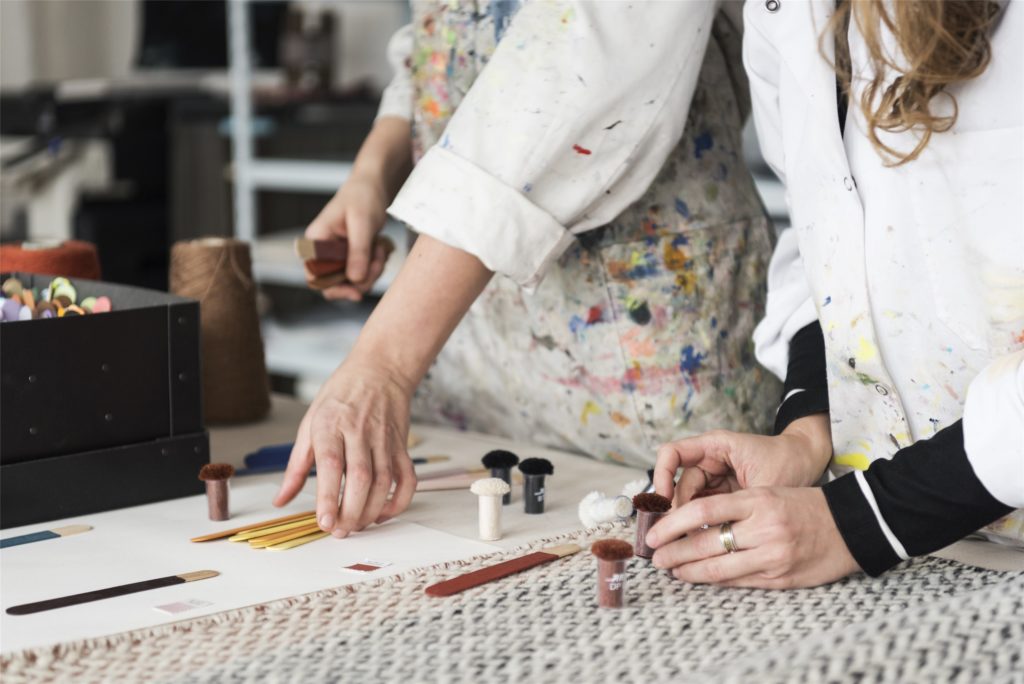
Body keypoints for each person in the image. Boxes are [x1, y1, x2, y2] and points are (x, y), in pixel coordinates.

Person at [274, 1, 784, 538]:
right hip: (463, 338)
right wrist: (372, 175)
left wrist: (385, 362)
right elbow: (437, 38)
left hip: (646, 353)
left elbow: (573, 67)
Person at [647, 0, 1023, 587]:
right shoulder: (786, 12)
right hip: (929, 554)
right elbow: (827, 237)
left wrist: (858, 522)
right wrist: (807, 432)